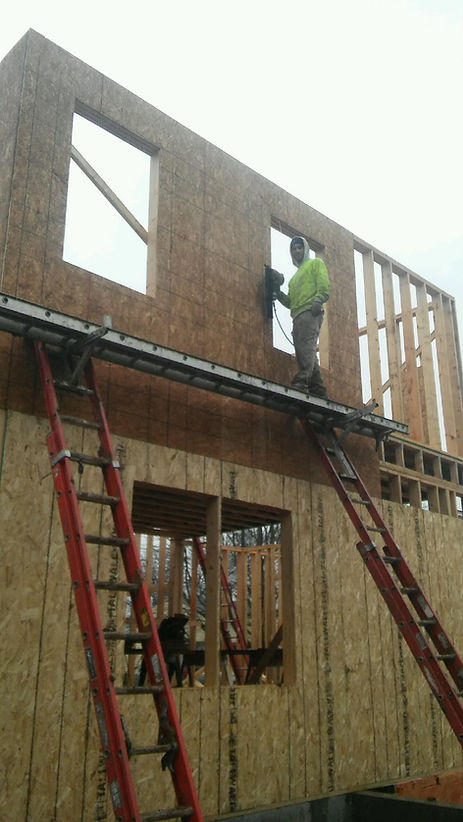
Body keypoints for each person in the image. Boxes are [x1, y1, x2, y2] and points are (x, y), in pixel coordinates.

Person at [271, 236, 330, 398]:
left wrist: (318, 299)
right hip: (296, 316)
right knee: (306, 351)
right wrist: (278, 293)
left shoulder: (315, 264)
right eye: (294, 249)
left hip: (310, 313)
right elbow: (290, 302)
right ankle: (318, 390)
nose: (297, 251)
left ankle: (301, 382)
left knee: (306, 349)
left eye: (299, 248)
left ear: (305, 249)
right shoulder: (294, 279)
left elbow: (324, 285)